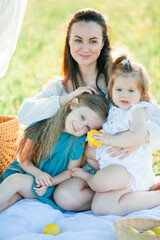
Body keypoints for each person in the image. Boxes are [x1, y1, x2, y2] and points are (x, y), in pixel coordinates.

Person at [17, 8, 160, 212]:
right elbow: (24, 114)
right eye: (78, 40)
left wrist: (139, 136)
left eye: (93, 41)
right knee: (66, 198)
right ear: (68, 42)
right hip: (83, 170)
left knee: (85, 197)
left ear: (103, 43)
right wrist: (66, 99)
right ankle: (119, 195)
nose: (85, 48)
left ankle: (131, 192)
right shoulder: (61, 86)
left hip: (117, 165)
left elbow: (153, 115)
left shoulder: (117, 83)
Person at [71, 55, 159, 216]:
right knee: (101, 208)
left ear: (141, 93)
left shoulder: (136, 111)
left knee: (99, 182)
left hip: (128, 167)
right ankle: (151, 195)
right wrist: (97, 138)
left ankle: (89, 179)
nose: (124, 95)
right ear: (110, 90)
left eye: (131, 91)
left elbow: (137, 136)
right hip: (113, 166)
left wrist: (109, 139)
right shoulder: (112, 108)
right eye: (119, 90)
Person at [0, 93, 109, 213]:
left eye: (87, 127)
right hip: (28, 171)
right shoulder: (42, 125)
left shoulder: (77, 141)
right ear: (73, 104)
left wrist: (49, 182)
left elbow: (70, 171)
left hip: (45, 184)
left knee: (17, 182)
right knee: (11, 197)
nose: (80, 126)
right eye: (82, 117)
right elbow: (23, 159)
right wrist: (38, 174)